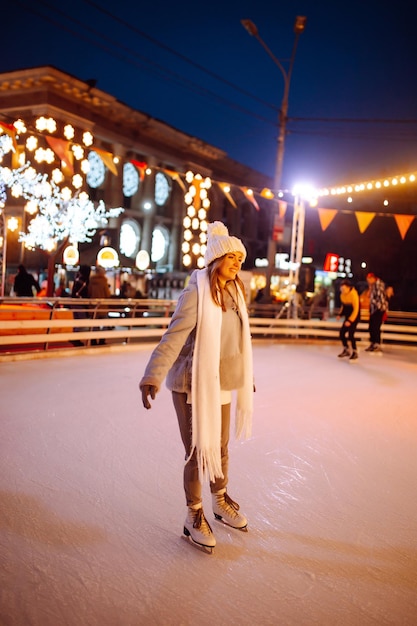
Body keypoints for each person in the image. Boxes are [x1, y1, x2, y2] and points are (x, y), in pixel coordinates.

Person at [139, 221, 254, 552]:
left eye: (240, 259)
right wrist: (152, 374)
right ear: (216, 259)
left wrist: (248, 375)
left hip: (221, 381)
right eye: (231, 257)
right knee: (197, 452)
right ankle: (193, 515)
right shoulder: (196, 292)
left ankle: (219, 500)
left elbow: (236, 342)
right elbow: (173, 336)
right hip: (191, 383)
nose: (237, 264)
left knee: (220, 449)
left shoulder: (233, 293)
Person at [336, 279, 360, 361]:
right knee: (342, 333)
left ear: (348, 287)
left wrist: (350, 320)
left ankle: (355, 351)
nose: (342, 290)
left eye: (344, 289)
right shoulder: (342, 295)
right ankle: (346, 349)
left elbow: (356, 309)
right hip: (347, 317)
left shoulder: (354, 294)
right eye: (341, 289)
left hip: (355, 316)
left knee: (351, 334)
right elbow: (344, 306)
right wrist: (340, 314)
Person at [365, 272, 388, 353]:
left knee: (375, 327)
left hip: (379, 309)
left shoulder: (378, 284)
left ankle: (377, 344)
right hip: (374, 309)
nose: (368, 282)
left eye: (369, 280)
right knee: (371, 327)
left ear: (373, 278)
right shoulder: (373, 285)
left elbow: (380, 298)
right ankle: (373, 343)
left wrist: (375, 303)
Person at [88, 266, 111, 345]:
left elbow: (89, 292)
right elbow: (107, 294)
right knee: (104, 323)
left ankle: (93, 340)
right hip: (103, 306)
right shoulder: (104, 281)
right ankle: (102, 340)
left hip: (93, 306)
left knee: (94, 324)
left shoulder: (91, 281)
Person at [70, 265, 91, 346]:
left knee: (77, 320)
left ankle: (76, 338)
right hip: (80, 303)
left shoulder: (77, 279)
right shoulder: (85, 281)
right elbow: (85, 293)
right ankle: (77, 338)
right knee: (82, 320)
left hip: (74, 302)